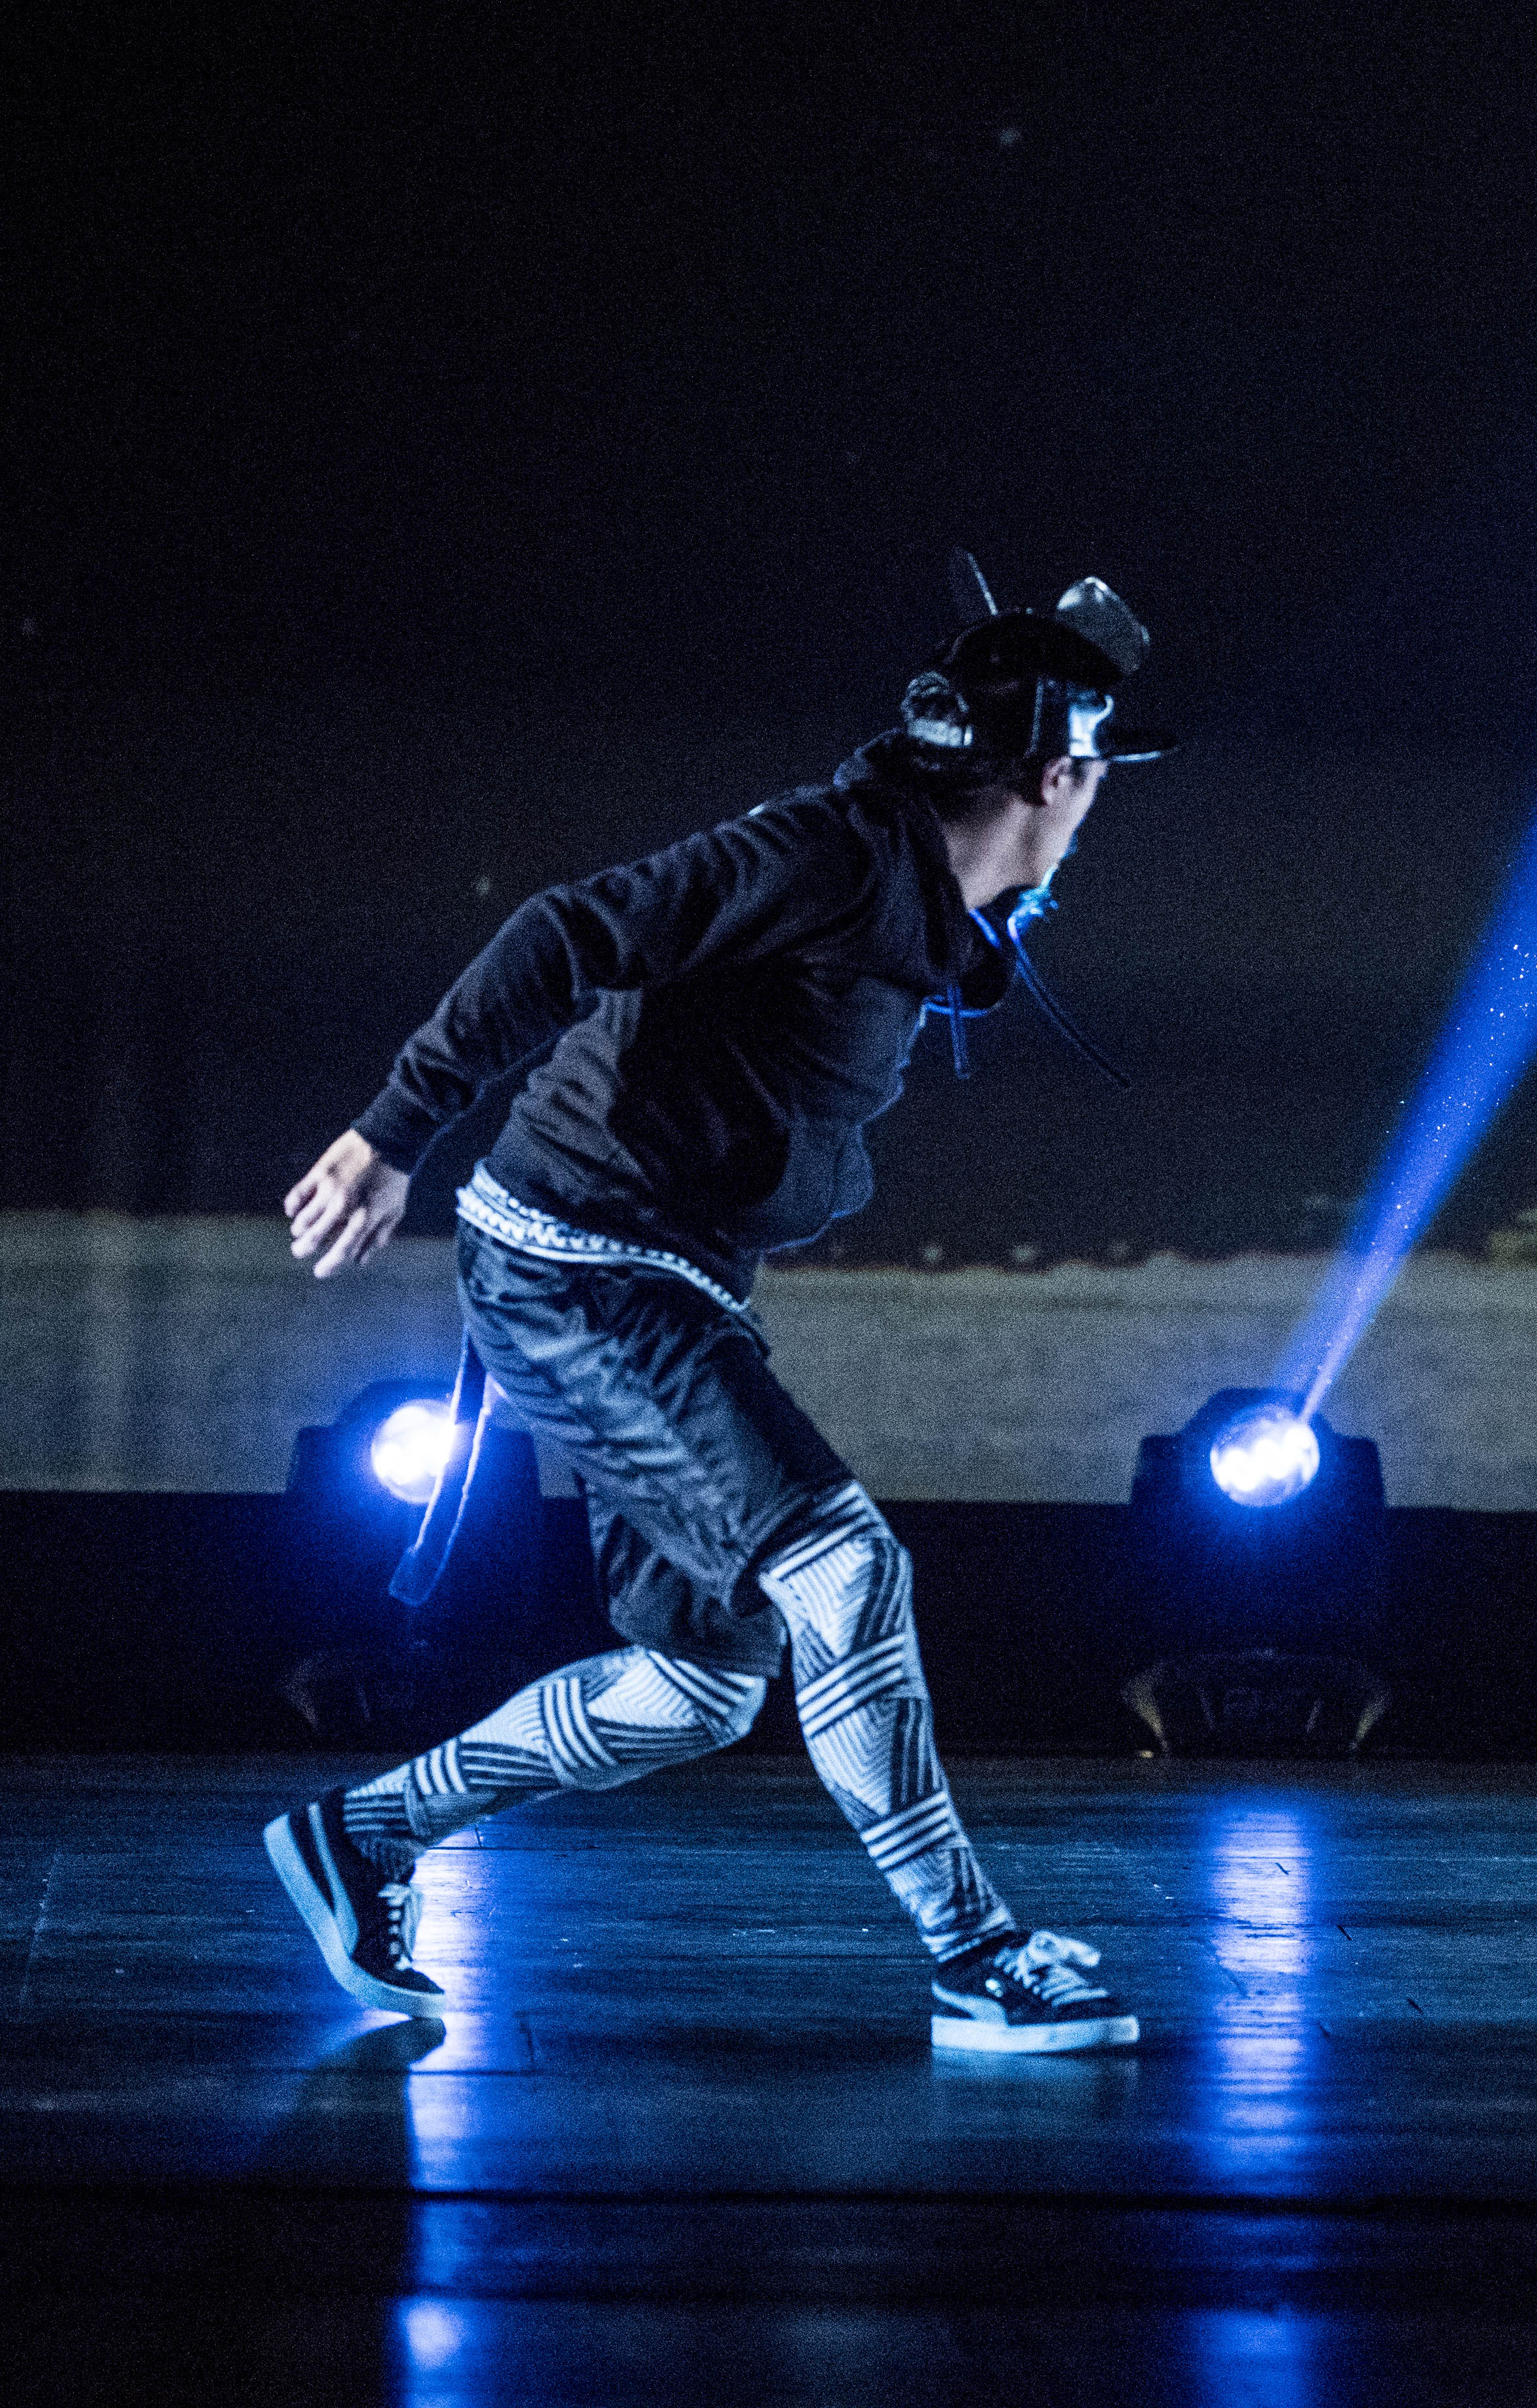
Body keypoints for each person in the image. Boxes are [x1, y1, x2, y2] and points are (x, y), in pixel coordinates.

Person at [263, 560, 1172, 2053]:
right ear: (1061, 774)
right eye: (1090, 773)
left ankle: (363, 1833)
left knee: (697, 1685)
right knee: (847, 1573)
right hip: (583, 1267)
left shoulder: (911, 890)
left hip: (643, 1275)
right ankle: (973, 1952)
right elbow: (565, 931)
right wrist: (389, 1132)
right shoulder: (833, 854)